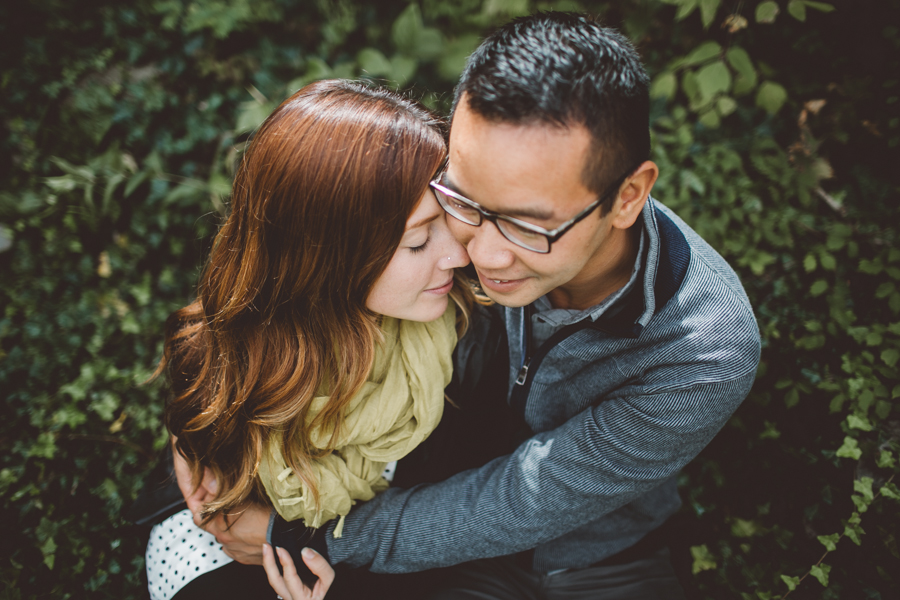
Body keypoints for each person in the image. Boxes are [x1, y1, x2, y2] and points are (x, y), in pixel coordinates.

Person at [201, 11, 762, 599]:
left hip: (593, 554)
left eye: (525, 227)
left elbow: (521, 501)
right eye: (465, 201)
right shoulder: (451, 218)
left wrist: (308, 536)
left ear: (627, 197)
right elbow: (320, 245)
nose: (481, 255)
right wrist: (205, 433)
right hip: (422, 494)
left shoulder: (704, 349)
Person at [141, 78, 475, 599]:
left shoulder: (462, 329)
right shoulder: (232, 359)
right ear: (328, 259)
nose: (458, 254)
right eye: (416, 242)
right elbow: (211, 498)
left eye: (447, 221)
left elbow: (458, 523)